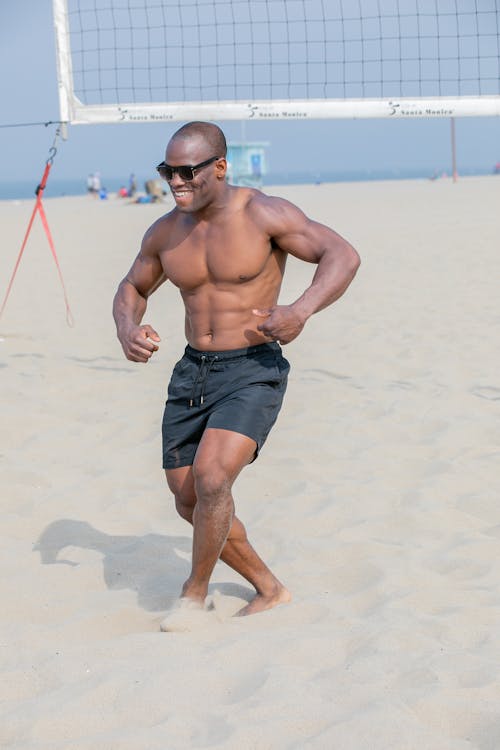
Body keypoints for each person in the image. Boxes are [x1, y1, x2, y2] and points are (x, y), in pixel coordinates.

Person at [112, 121, 360, 629]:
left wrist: (300, 309)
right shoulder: (164, 231)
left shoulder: (265, 214)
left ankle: (192, 594)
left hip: (252, 368)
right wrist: (126, 328)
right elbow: (132, 287)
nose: (175, 180)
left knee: (212, 477)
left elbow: (343, 255)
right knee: (189, 500)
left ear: (219, 167)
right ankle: (270, 588)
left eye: (186, 171)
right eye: (167, 170)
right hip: (191, 373)